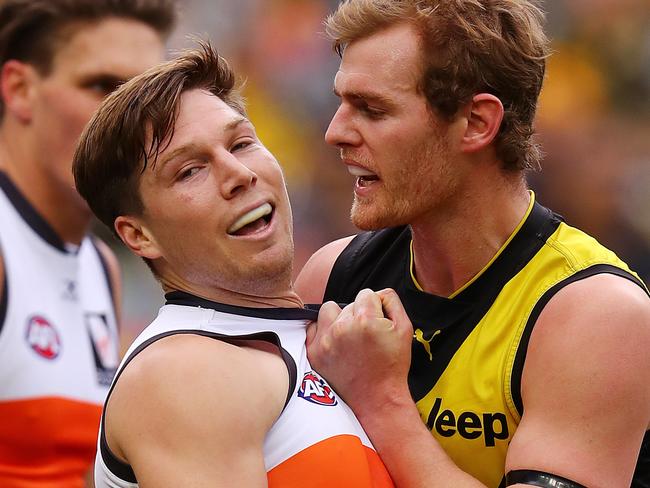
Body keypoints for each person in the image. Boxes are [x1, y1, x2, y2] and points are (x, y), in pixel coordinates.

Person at [295, 1, 650, 487]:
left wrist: (381, 401)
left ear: (478, 123)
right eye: (340, 103)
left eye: (372, 109)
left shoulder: (596, 315)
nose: (335, 132)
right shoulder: (329, 277)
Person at [72, 42, 394, 487]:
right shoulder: (184, 372)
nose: (239, 173)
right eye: (190, 170)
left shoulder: (318, 337)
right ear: (138, 235)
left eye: (241, 143)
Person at [0, 1, 176, 486]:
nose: (131, 120)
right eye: (103, 87)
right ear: (19, 89)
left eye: (149, 97)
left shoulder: (101, 266)